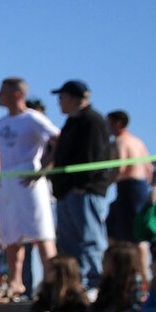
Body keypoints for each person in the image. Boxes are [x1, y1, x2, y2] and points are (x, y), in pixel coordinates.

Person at [0, 79, 59, 298]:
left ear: (17, 94)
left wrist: (42, 170)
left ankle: (53, 280)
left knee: (42, 233)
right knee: (10, 235)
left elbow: (58, 139)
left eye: (2, 92)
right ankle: (15, 281)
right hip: (8, 181)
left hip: (30, 179)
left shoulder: (33, 118)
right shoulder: (0, 123)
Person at [49, 80, 112, 291]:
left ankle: (95, 283)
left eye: (62, 97)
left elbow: (96, 157)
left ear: (75, 99)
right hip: (66, 193)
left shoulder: (93, 121)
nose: (59, 103)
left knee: (90, 239)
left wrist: (82, 185)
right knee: (69, 243)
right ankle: (75, 284)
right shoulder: (69, 123)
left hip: (85, 192)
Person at [54, 243, 149, 312]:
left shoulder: (136, 283)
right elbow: (98, 305)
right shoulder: (108, 282)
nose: (102, 263)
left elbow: (136, 310)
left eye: (106, 260)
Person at [105, 111, 152, 245]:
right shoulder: (138, 142)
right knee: (120, 230)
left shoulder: (121, 141)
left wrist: (105, 185)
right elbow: (149, 168)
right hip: (140, 187)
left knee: (135, 234)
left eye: (108, 123)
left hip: (130, 188)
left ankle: (137, 265)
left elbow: (120, 167)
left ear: (118, 123)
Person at [14, 256, 90, 312]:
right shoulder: (47, 291)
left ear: (61, 273)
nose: (45, 272)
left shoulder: (75, 295)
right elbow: (37, 307)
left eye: (50, 270)